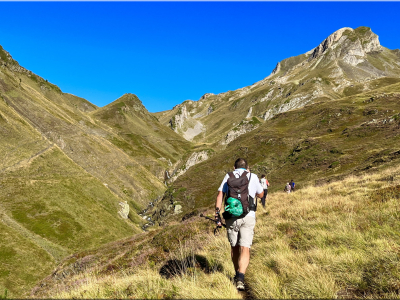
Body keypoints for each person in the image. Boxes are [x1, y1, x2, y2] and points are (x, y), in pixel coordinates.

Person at [215, 158, 264, 291]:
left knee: (234, 247)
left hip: (231, 217)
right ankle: (240, 279)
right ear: (247, 167)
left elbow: (220, 194)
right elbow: (261, 194)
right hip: (248, 216)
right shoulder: (252, 176)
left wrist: (217, 213)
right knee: (245, 247)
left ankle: (236, 274)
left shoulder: (228, 176)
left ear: (234, 167)